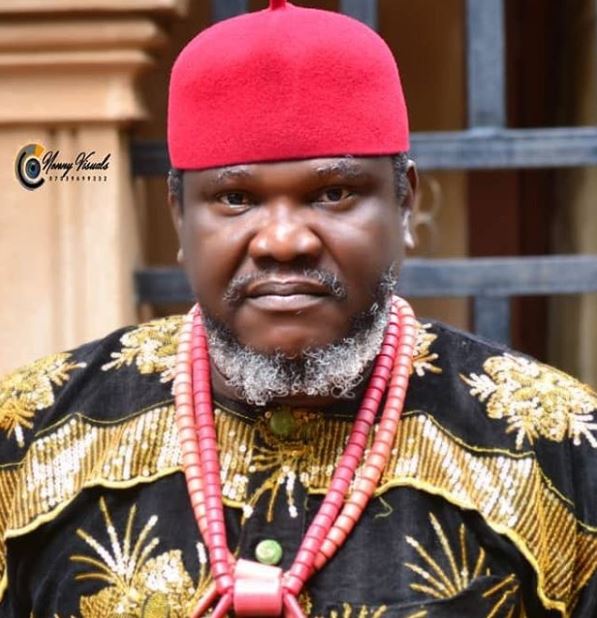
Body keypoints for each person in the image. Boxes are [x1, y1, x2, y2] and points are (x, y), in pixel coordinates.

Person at [1, 1, 596, 616]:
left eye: (333, 193)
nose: (283, 242)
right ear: (180, 217)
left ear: (404, 203)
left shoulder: (560, 454)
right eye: (235, 198)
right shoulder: (27, 442)